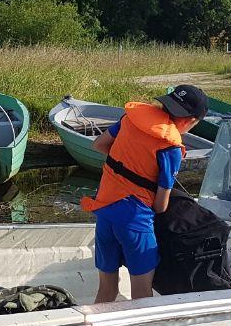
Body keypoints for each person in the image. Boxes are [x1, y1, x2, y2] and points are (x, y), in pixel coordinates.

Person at [80, 84, 208, 304]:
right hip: (135, 220)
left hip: (104, 212)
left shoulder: (130, 120)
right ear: (191, 121)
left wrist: (129, 164)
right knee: (142, 295)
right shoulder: (170, 147)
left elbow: (99, 144)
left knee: (106, 290)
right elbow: (160, 206)